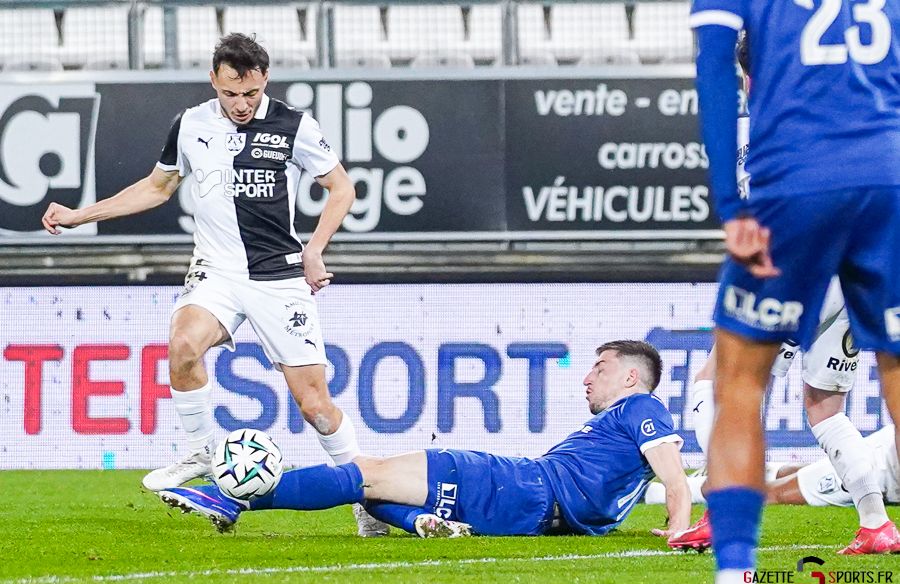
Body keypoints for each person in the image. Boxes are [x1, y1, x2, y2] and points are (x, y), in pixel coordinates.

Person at [40, 33, 386, 536]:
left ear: (265, 80)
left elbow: (342, 187)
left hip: (277, 276)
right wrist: (80, 215)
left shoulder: (295, 125)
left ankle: (367, 493)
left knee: (315, 405)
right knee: (183, 344)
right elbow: (158, 186)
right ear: (213, 81)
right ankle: (201, 452)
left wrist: (314, 250)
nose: (241, 104)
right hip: (216, 271)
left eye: (250, 93)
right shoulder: (190, 123)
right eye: (230, 93)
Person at [690, 2, 900, 584]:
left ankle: (734, 567)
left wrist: (730, 207)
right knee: (835, 402)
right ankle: (875, 522)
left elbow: (712, 70)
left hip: (796, 197)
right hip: (886, 186)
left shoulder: (757, 104)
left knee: (733, 383)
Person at [154, 341, 692, 539]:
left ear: (631, 377)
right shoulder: (621, 433)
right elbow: (660, 482)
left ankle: (232, 498)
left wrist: (679, 526)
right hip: (525, 512)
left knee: (365, 475)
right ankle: (421, 523)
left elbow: (675, 479)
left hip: (520, 485)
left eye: (601, 367)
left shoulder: (641, 407)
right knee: (373, 492)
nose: (587, 377)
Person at [669, 278, 899, 554]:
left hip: (798, 271)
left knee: (722, 379)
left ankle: (723, 509)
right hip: (853, 283)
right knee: (825, 410)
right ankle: (876, 523)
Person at [647, 425, 899, 509]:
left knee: (812, 473)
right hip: (882, 469)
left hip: (887, 454)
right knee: (775, 493)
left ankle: (765, 469)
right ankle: (659, 492)